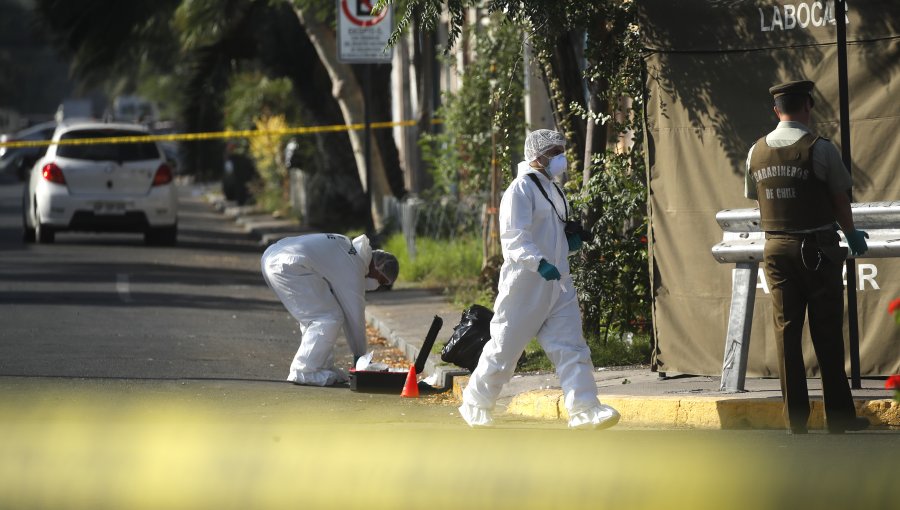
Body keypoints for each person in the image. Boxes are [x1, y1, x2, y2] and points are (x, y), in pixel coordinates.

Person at [458, 129, 620, 429]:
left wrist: (569, 240)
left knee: (572, 348)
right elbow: (513, 238)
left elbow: (550, 232)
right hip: (526, 285)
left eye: (561, 150)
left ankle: (585, 409)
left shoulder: (552, 189)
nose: (561, 157)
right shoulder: (520, 190)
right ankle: (475, 403)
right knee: (505, 349)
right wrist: (539, 262)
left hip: (557, 283)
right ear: (537, 156)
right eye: (555, 152)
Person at [745, 79, 870, 434]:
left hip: (776, 250)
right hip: (817, 250)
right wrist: (850, 233)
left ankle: (795, 421)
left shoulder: (755, 151)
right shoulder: (821, 148)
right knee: (827, 332)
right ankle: (840, 418)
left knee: (787, 334)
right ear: (808, 106)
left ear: (776, 110)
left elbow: (757, 197)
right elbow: (839, 199)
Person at [261, 233, 399, 386]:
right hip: (288, 265)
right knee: (327, 318)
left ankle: (320, 365)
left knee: (318, 317)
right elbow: (355, 316)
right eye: (381, 281)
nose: (377, 286)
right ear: (377, 269)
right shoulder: (354, 267)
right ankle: (304, 371)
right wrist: (361, 357)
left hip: (275, 257)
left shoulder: (348, 248)